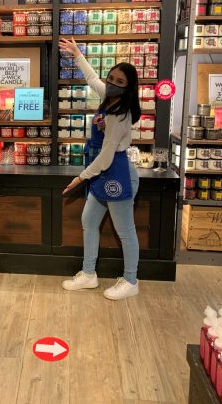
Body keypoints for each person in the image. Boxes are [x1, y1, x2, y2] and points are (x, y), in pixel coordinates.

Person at [59, 37, 141, 300]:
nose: (113, 83)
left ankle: (131, 280)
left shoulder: (120, 115)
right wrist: (77, 53)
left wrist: (80, 178)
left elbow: (106, 156)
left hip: (117, 173)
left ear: (128, 88)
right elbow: (92, 77)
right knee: (89, 221)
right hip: (102, 172)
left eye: (120, 82)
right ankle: (88, 274)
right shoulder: (109, 98)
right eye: (111, 78)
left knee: (125, 231)